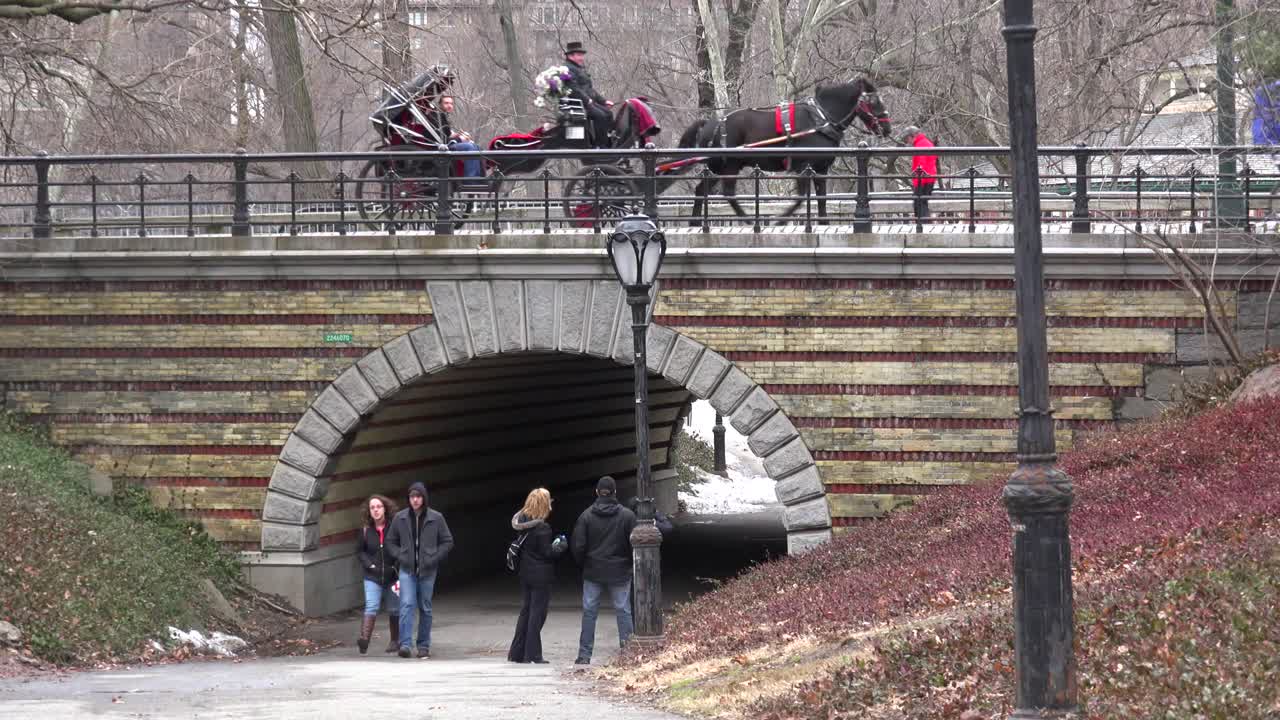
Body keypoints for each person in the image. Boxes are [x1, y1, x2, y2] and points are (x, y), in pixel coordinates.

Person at [571, 475, 637, 665]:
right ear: (615, 492)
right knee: (623, 611)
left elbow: (578, 546)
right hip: (620, 571)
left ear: (596, 492)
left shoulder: (586, 516)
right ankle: (628, 655)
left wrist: (584, 564)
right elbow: (635, 544)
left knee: (589, 612)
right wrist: (627, 563)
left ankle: (584, 655)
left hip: (593, 571)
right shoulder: (627, 516)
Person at [386, 481, 454, 659]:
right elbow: (390, 542)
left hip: (428, 570)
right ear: (408, 499)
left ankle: (423, 645)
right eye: (412, 497)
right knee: (407, 604)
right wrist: (400, 555)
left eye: (418, 496)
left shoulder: (436, 518)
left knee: (425, 607)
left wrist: (434, 557)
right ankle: (405, 644)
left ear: (424, 498)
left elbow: (447, 541)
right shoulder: (400, 518)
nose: (415, 500)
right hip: (407, 569)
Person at [507, 488, 568, 664]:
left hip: (525, 574)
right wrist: (560, 545)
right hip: (541, 576)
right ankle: (533, 654)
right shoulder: (542, 527)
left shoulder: (522, 522)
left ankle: (517, 653)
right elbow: (547, 553)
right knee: (537, 614)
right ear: (543, 504)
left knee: (525, 612)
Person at [356, 494, 401, 654]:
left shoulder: (394, 527)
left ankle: (395, 640)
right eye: (372, 507)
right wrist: (370, 565)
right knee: (372, 605)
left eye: (378, 507)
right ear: (369, 511)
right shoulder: (366, 530)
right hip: (372, 576)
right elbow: (360, 552)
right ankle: (364, 639)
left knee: (394, 609)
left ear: (385, 508)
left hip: (392, 576)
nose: (376, 510)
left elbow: (401, 548)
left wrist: (395, 566)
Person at [561, 41, 613, 148]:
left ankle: (608, 142)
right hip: (578, 104)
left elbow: (589, 89)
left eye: (581, 55)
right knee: (601, 116)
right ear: (571, 56)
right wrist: (586, 100)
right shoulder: (567, 69)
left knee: (608, 114)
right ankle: (599, 146)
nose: (582, 58)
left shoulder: (578, 68)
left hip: (587, 101)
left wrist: (603, 101)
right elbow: (574, 89)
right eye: (579, 55)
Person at [440, 95, 484, 178]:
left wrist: (458, 135)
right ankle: (470, 181)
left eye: (451, 103)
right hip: (443, 147)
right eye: (446, 103)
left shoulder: (444, 116)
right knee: (469, 147)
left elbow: (447, 134)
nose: (449, 105)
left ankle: (479, 179)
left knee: (476, 147)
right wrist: (460, 138)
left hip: (449, 143)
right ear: (440, 104)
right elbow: (442, 139)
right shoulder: (438, 116)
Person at [903, 126, 939, 222]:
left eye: (907, 138)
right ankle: (924, 223)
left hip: (923, 179)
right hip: (929, 178)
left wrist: (918, 181)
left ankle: (922, 225)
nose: (908, 141)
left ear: (912, 136)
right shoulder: (926, 142)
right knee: (923, 202)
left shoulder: (920, 145)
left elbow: (921, 165)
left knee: (919, 203)